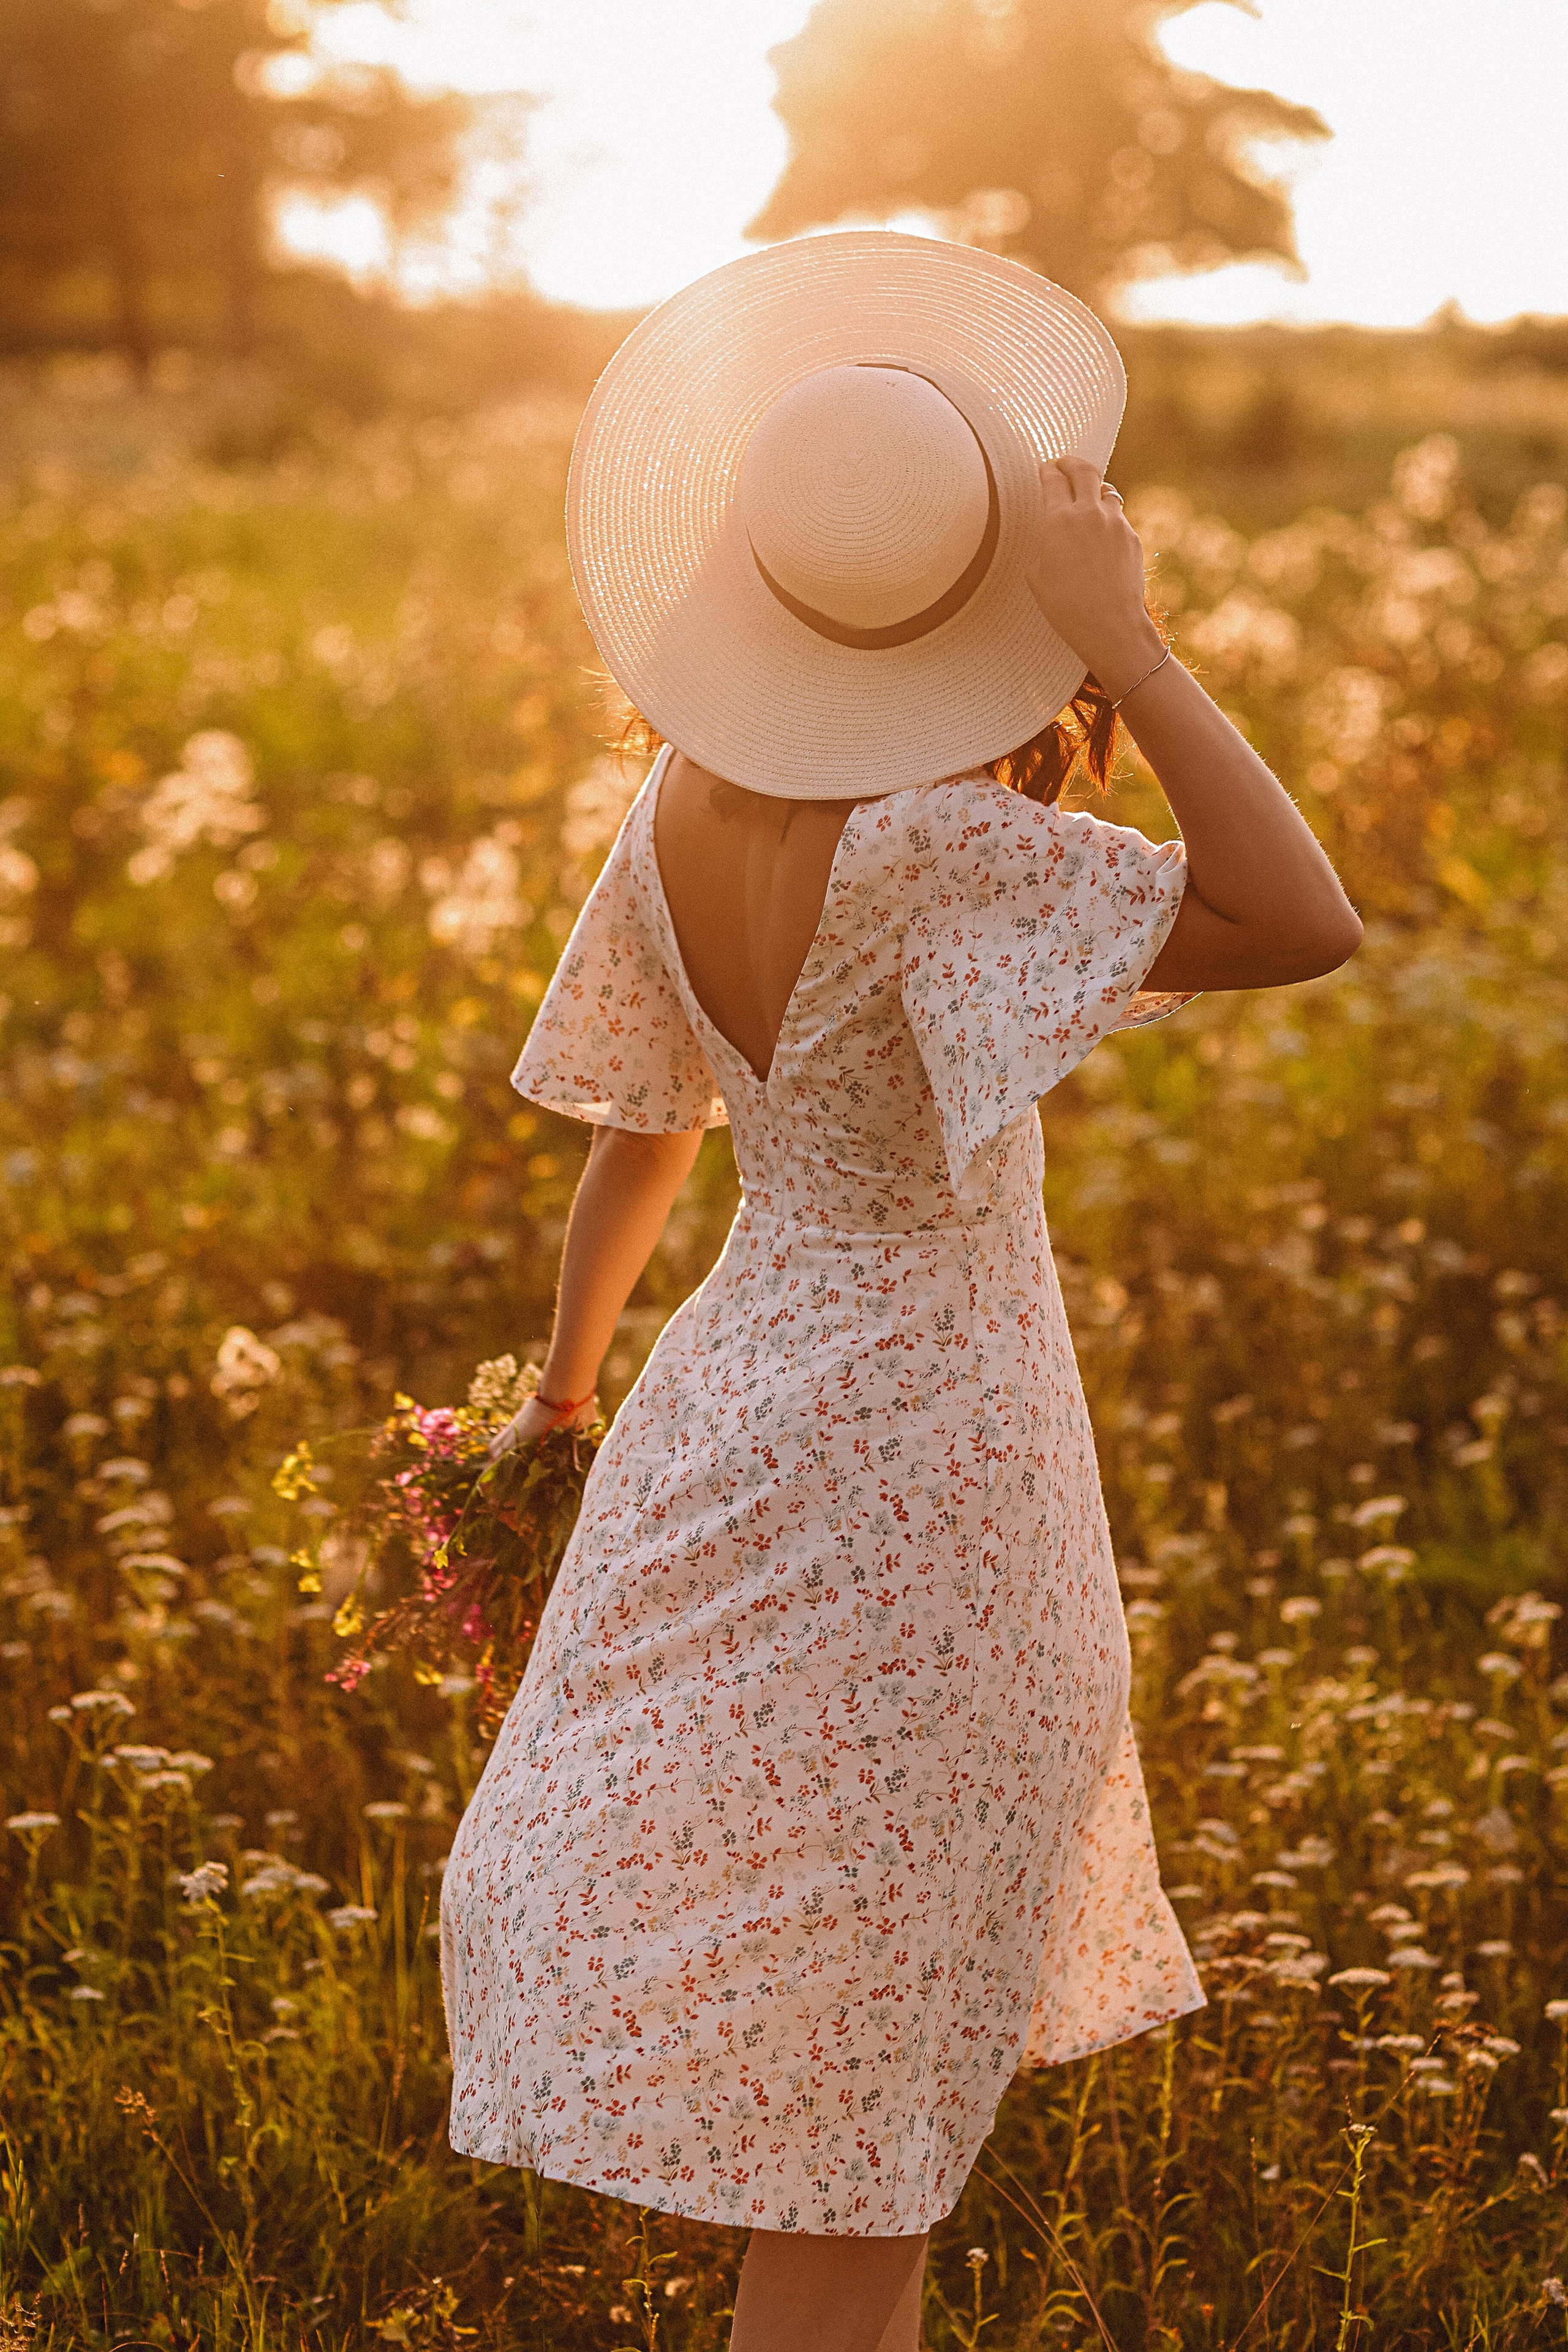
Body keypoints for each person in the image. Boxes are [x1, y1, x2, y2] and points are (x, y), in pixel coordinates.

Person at [440, 233, 1360, 2352]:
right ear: (969, 599)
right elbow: (1301, 916)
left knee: (826, 2002)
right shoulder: (944, 846)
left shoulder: (677, 798)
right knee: (880, 2061)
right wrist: (1124, 643)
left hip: (738, 1382)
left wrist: (563, 1402)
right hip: (934, 1448)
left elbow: (642, 1125)